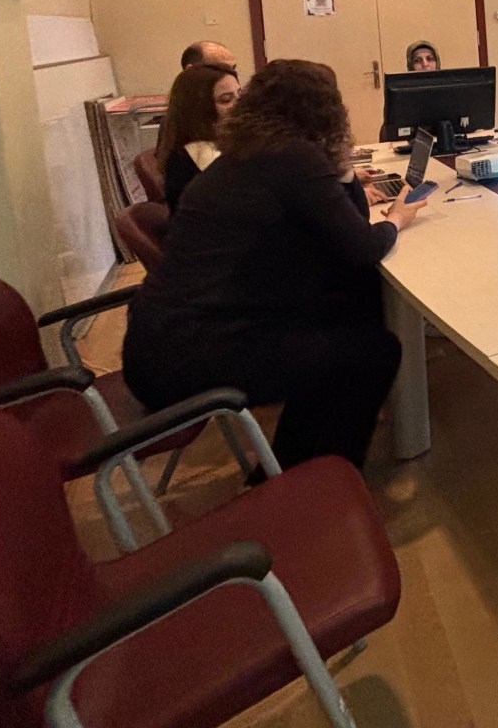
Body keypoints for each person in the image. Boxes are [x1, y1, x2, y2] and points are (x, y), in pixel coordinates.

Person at [122, 59, 425, 471]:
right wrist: (396, 219)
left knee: (340, 322)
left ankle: (287, 469)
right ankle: (322, 482)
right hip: (192, 357)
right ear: (326, 112)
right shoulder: (294, 158)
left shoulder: (242, 154)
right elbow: (363, 247)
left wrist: (343, 169)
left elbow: (347, 231)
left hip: (158, 344)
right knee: (373, 351)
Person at [155, 63, 240, 213]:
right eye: (226, 100)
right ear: (200, 109)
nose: (239, 105)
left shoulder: (229, 140)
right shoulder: (197, 153)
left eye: (240, 94)